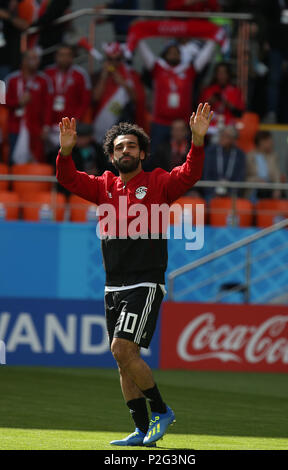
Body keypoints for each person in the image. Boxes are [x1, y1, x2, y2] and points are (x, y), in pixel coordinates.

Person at [56, 102, 213, 446]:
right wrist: (65, 151)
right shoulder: (103, 186)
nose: (124, 151)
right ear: (111, 157)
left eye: (130, 146)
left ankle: (161, 410)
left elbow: (189, 173)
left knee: (121, 348)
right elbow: (66, 178)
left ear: (142, 152)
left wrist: (197, 140)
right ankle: (143, 432)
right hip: (113, 284)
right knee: (123, 359)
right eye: (118, 148)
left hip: (145, 281)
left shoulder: (157, 183)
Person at [5, 48, 53, 164]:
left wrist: (46, 126)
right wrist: (18, 102)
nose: (35, 61)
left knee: (37, 159)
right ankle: (12, 182)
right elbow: (2, 100)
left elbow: (48, 106)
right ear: (24, 61)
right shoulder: (12, 79)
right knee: (14, 160)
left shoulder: (44, 80)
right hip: (15, 126)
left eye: (37, 58)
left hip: (36, 127)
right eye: (32, 58)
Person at [44, 44, 91, 149]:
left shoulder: (80, 74)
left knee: (67, 155)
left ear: (72, 57)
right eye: (61, 55)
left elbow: (85, 101)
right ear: (56, 57)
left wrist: (76, 120)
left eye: (68, 55)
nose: (64, 58)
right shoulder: (47, 73)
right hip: (50, 124)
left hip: (70, 125)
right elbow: (42, 101)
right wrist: (45, 124)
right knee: (50, 156)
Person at [92, 42, 136, 145]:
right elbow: (95, 98)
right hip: (100, 123)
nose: (114, 63)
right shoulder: (97, 75)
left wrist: (123, 83)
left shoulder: (128, 74)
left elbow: (136, 99)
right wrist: (104, 76)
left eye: (117, 59)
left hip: (120, 124)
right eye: (110, 59)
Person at [203, 125, 246, 200]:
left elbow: (240, 176)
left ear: (234, 140)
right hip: (211, 192)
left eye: (227, 136)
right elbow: (206, 174)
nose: (222, 138)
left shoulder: (240, 155)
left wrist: (231, 192)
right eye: (222, 135)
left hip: (232, 194)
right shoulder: (210, 151)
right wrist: (212, 191)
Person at [200, 62, 245, 132]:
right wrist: (209, 102)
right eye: (219, 73)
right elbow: (199, 111)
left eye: (224, 73)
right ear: (215, 75)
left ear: (228, 75)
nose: (221, 76)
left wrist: (226, 103)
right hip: (211, 126)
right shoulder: (209, 90)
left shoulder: (235, 91)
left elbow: (240, 113)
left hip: (229, 126)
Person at [245, 130, 281, 200]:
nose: (271, 144)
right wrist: (256, 180)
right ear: (261, 142)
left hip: (269, 188)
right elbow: (245, 178)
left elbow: (276, 175)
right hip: (254, 188)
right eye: (269, 142)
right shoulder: (249, 157)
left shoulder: (273, 156)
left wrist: (277, 189)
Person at [0, 0, 30, 80]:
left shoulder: (7, 8)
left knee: (5, 89)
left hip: (6, 61)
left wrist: (7, 16)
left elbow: (25, 26)